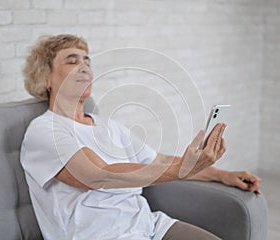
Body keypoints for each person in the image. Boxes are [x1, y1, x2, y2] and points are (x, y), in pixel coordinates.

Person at [21, 34, 261, 240]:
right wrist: (181, 169)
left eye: (87, 61)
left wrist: (222, 175)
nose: (84, 66)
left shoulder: (108, 126)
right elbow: (97, 175)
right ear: (46, 77)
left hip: (148, 225)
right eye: (72, 61)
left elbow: (157, 162)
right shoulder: (44, 130)